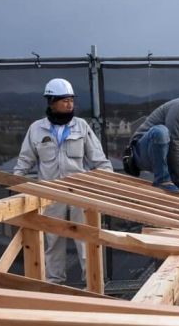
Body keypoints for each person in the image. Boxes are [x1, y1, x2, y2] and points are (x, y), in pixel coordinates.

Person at [13, 78, 113, 284]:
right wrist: (16, 183)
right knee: (52, 241)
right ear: (51, 102)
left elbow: (99, 159)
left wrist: (106, 185)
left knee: (86, 240)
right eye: (64, 100)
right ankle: (54, 285)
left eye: (71, 100)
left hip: (79, 194)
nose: (69, 104)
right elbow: (25, 160)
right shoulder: (37, 129)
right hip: (50, 195)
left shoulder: (81, 126)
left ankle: (93, 285)